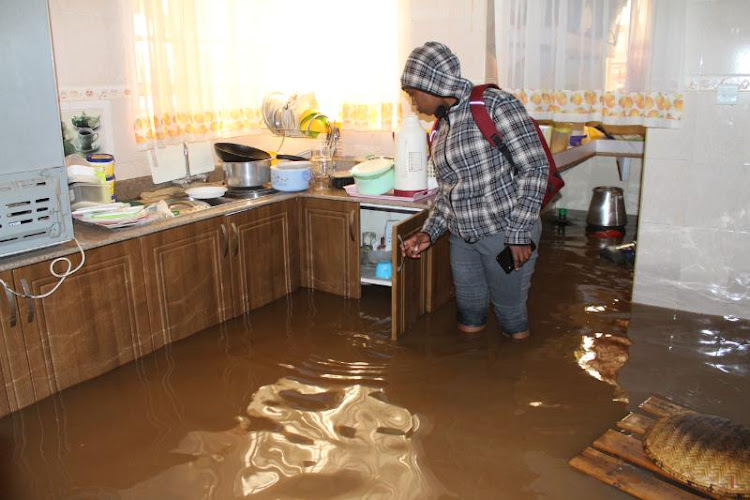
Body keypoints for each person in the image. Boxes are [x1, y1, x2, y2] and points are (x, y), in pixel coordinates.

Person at [399, 41, 548, 340]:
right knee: (468, 315)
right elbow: (448, 193)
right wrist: (429, 232)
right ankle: (468, 378)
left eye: (413, 93)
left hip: (505, 234)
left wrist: (519, 234)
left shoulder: (494, 105)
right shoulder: (440, 128)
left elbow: (535, 169)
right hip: (463, 239)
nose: (413, 101)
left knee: (510, 316)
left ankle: (517, 380)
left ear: (431, 84)